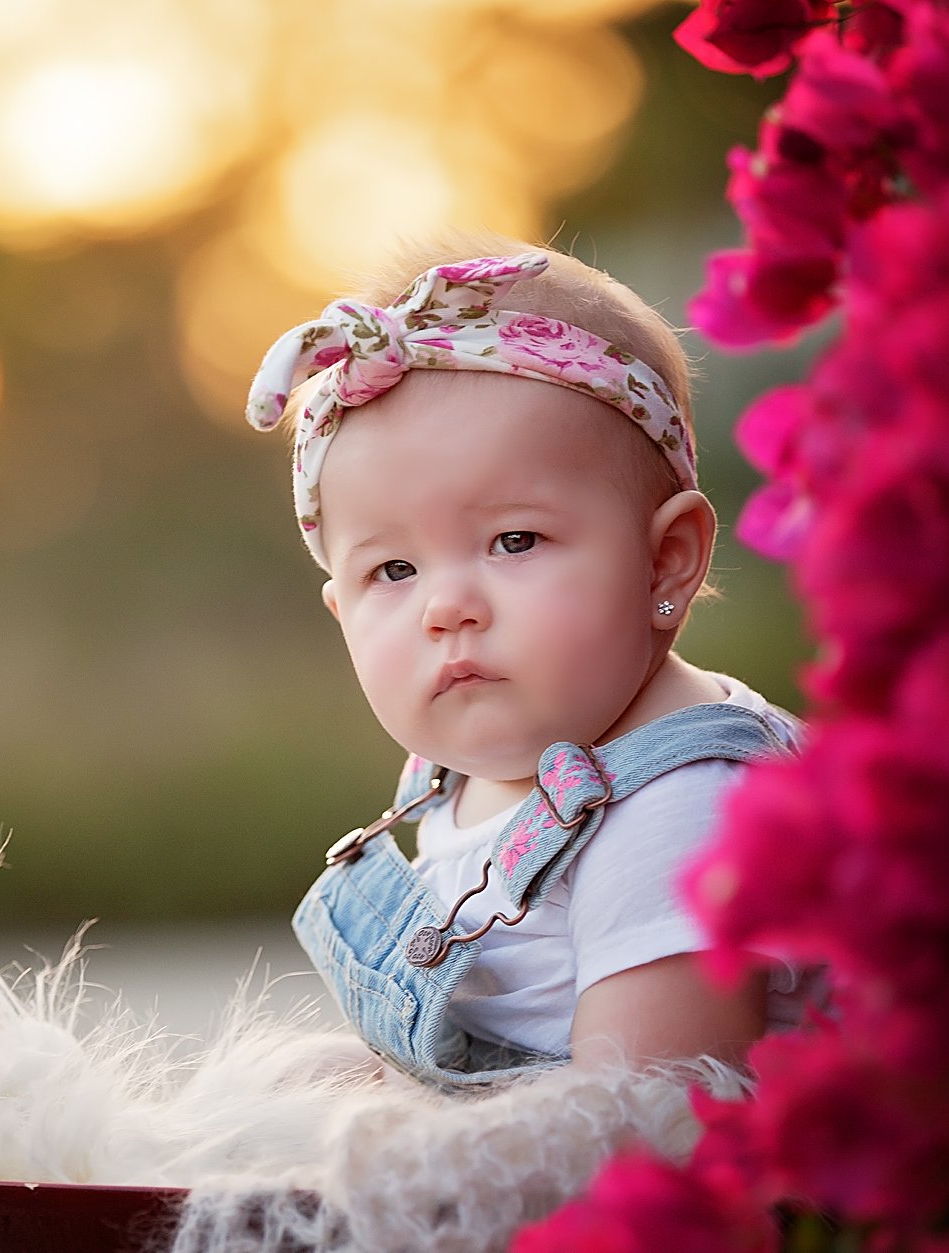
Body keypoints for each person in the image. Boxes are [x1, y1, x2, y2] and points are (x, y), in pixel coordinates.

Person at [244, 235, 824, 1091]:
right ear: (342, 612)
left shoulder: (674, 805)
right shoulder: (454, 781)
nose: (448, 606)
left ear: (666, 560)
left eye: (515, 540)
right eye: (392, 571)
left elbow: (645, 1127)